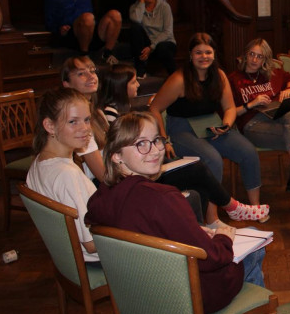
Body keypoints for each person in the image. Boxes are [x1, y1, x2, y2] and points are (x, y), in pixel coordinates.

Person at [85, 112, 270, 314]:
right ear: (116, 156)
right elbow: (211, 257)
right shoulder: (163, 198)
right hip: (186, 298)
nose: (155, 150)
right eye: (141, 144)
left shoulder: (101, 199)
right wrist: (223, 238)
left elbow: (147, 231)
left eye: (156, 140)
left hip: (140, 297)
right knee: (254, 244)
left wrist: (193, 232)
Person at [96, 64, 266, 224]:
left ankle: (224, 212)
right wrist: (163, 143)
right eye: (133, 82)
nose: (139, 85)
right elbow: (115, 158)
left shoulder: (121, 110)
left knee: (199, 172)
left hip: (141, 170)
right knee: (202, 167)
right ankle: (228, 209)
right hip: (137, 175)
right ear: (120, 87)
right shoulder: (112, 115)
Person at [149, 33, 268, 221]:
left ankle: (254, 207)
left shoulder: (219, 75)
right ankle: (212, 218)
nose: (204, 56)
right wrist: (164, 140)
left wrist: (226, 125)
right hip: (181, 128)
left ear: (214, 54)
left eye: (208, 52)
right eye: (198, 52)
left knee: (248, 151)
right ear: (190, 55)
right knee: (212, 159)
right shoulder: (179, 79)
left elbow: (229, 108)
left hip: (211, 124)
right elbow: (154, 108)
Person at [227, 38, 290, 201]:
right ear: (245, 55)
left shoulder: (271, 74)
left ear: (265, 60)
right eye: (251, 54)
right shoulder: (233, 79)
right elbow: (229, 112)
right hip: (252, 124)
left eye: (259, 56)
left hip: (275, 118)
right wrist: (251, 104)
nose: (254, 60)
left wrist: (288, 89)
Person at [26, 88, 99, 262]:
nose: (85, 128)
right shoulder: (68, 175)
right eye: (73, 122)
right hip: (101, 259)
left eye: (87, 119)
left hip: (70, 260)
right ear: (50, 126)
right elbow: (91, 243)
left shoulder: (38, 163)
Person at [44, 0, 122, 63]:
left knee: (115, 15)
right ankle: (84, 55)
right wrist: (59, 28)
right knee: (87, 17)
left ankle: (107, 53)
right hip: (71, 34)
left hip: (91, 31)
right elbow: (49, 21)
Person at [60, 56, 107, 181]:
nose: (91, 76)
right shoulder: (78, 125)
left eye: (92, 71)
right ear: (67, 84)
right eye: (81, 73)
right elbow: (103, 176)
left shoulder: (98, 112)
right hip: (93, 183)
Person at [128, 0, 177, 78]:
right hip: (147, 42)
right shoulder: (135, 8)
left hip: (164, 42)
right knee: (135, 28)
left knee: (163, 48)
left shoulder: (164, 7)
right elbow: (136, 20)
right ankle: (141, 70)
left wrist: (152, 47)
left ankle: (174, 75)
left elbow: (168, 32)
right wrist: (141, 3)